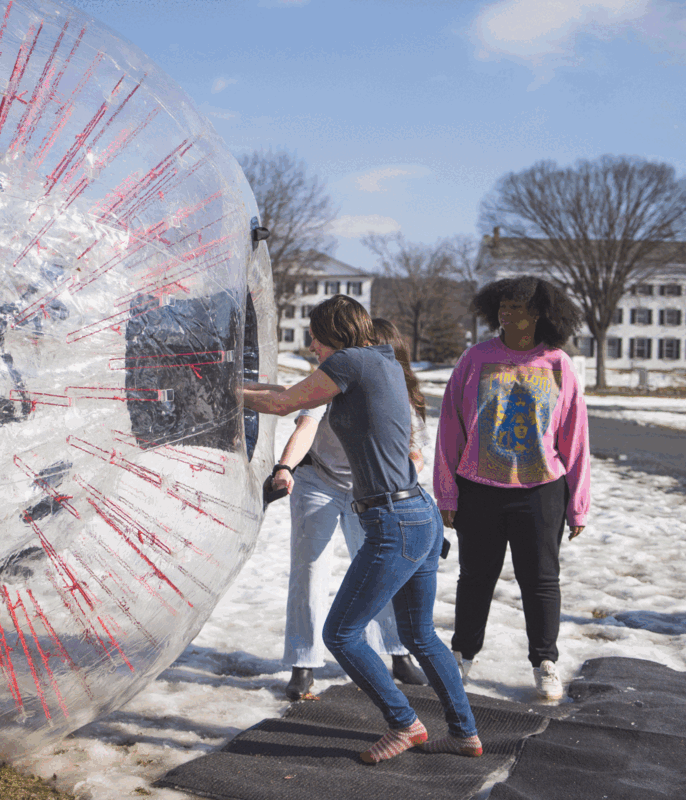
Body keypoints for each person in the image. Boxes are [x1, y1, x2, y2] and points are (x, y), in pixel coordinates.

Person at [245, 295, 480, 764]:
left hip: (393, 521)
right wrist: (236, 383)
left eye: (313, 335)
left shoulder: (351, 362)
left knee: (343, 633)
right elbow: (291, 390)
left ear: (332, 331)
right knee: (422, 635)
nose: (310, 344)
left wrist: (220, 392)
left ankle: (404, 724)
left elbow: (281, 403)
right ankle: (464, 733)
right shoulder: (380, 361)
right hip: (418, 514)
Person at [432, 275, 590, 702]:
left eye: (516, 307)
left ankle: (545, 661)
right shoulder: (475, 358)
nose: (506, 313)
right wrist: (447, 493)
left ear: (539, 314)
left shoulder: (558, 363)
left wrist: (577, 505)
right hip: (479, 489)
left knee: (540, 580)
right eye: (502, 306)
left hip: (540, 491)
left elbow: (575, 438)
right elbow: (450, 426)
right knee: (475, 578)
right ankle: (461, 656)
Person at [270, 318, 429, 701]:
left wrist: (393, 481)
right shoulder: (335, 377)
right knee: (309, 568)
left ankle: (396, 652)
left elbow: (415, 456)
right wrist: (286, 466)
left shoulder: (399, 394)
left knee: (381, 571)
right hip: (318, 481)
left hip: (369, 492)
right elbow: (306, 426)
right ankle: (303, 662)